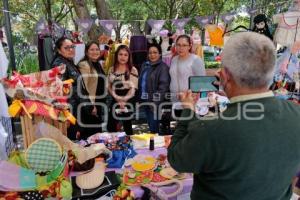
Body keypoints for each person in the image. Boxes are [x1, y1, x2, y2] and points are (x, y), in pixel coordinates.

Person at [167, 32, 300, 199]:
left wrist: (187, 110)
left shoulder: (211, 129)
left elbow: (177, 159)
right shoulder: (296, 114)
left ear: (225, 75)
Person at [51, 37, 93, 140]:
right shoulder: (60, 64)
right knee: (73, 141)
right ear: (59, 50)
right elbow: (62, 91)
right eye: (67, 48)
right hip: (70, 111)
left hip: (77, 108)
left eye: (72, 47)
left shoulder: (68, 61)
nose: (71, 50)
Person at [169, 34, 205, 118]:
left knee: (190, 127)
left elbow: (202, 82)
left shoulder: (196, 60)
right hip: (175, 100)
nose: (180, 48)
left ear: (189, 46)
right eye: (178, 45)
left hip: (190, 102)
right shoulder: (174, 59)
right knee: (180, 127)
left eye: (184, 45)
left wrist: (188, 95)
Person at [139, 43, 171, 134]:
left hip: (155, 104)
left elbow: (163, 88)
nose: (152, 55)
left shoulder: (163, 67)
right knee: (151, 127)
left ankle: (158, 147)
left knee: (155, 130)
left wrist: (154, 103)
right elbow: (141, 83)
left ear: (160, 54)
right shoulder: (145, 65)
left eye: (155, 52)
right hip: (145, 101)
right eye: (150, 53)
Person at [77, 41, 106, 138]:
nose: (95, 52)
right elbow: (83, 87)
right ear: (86, 52)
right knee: (91, 136)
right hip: (90, 106)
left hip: (98, 104)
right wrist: (91, 105)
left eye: (97, 49)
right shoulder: (84, 65)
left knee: (97, 135)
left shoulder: (97, 64)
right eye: (92, 49)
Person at [107, 45, 138, 135]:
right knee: (111, 125)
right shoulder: (111, 69)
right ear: (116, 55)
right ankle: (113, 145)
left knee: (127, 125)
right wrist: (117, 99)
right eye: (120, 54)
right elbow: (109, 86)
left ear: (129, 57)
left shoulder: (133, 70)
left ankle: (129, 145)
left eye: (125, 55)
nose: (123, 57)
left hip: (128, 98)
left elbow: (133, 88)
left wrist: (123, 101)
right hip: (115, 96)